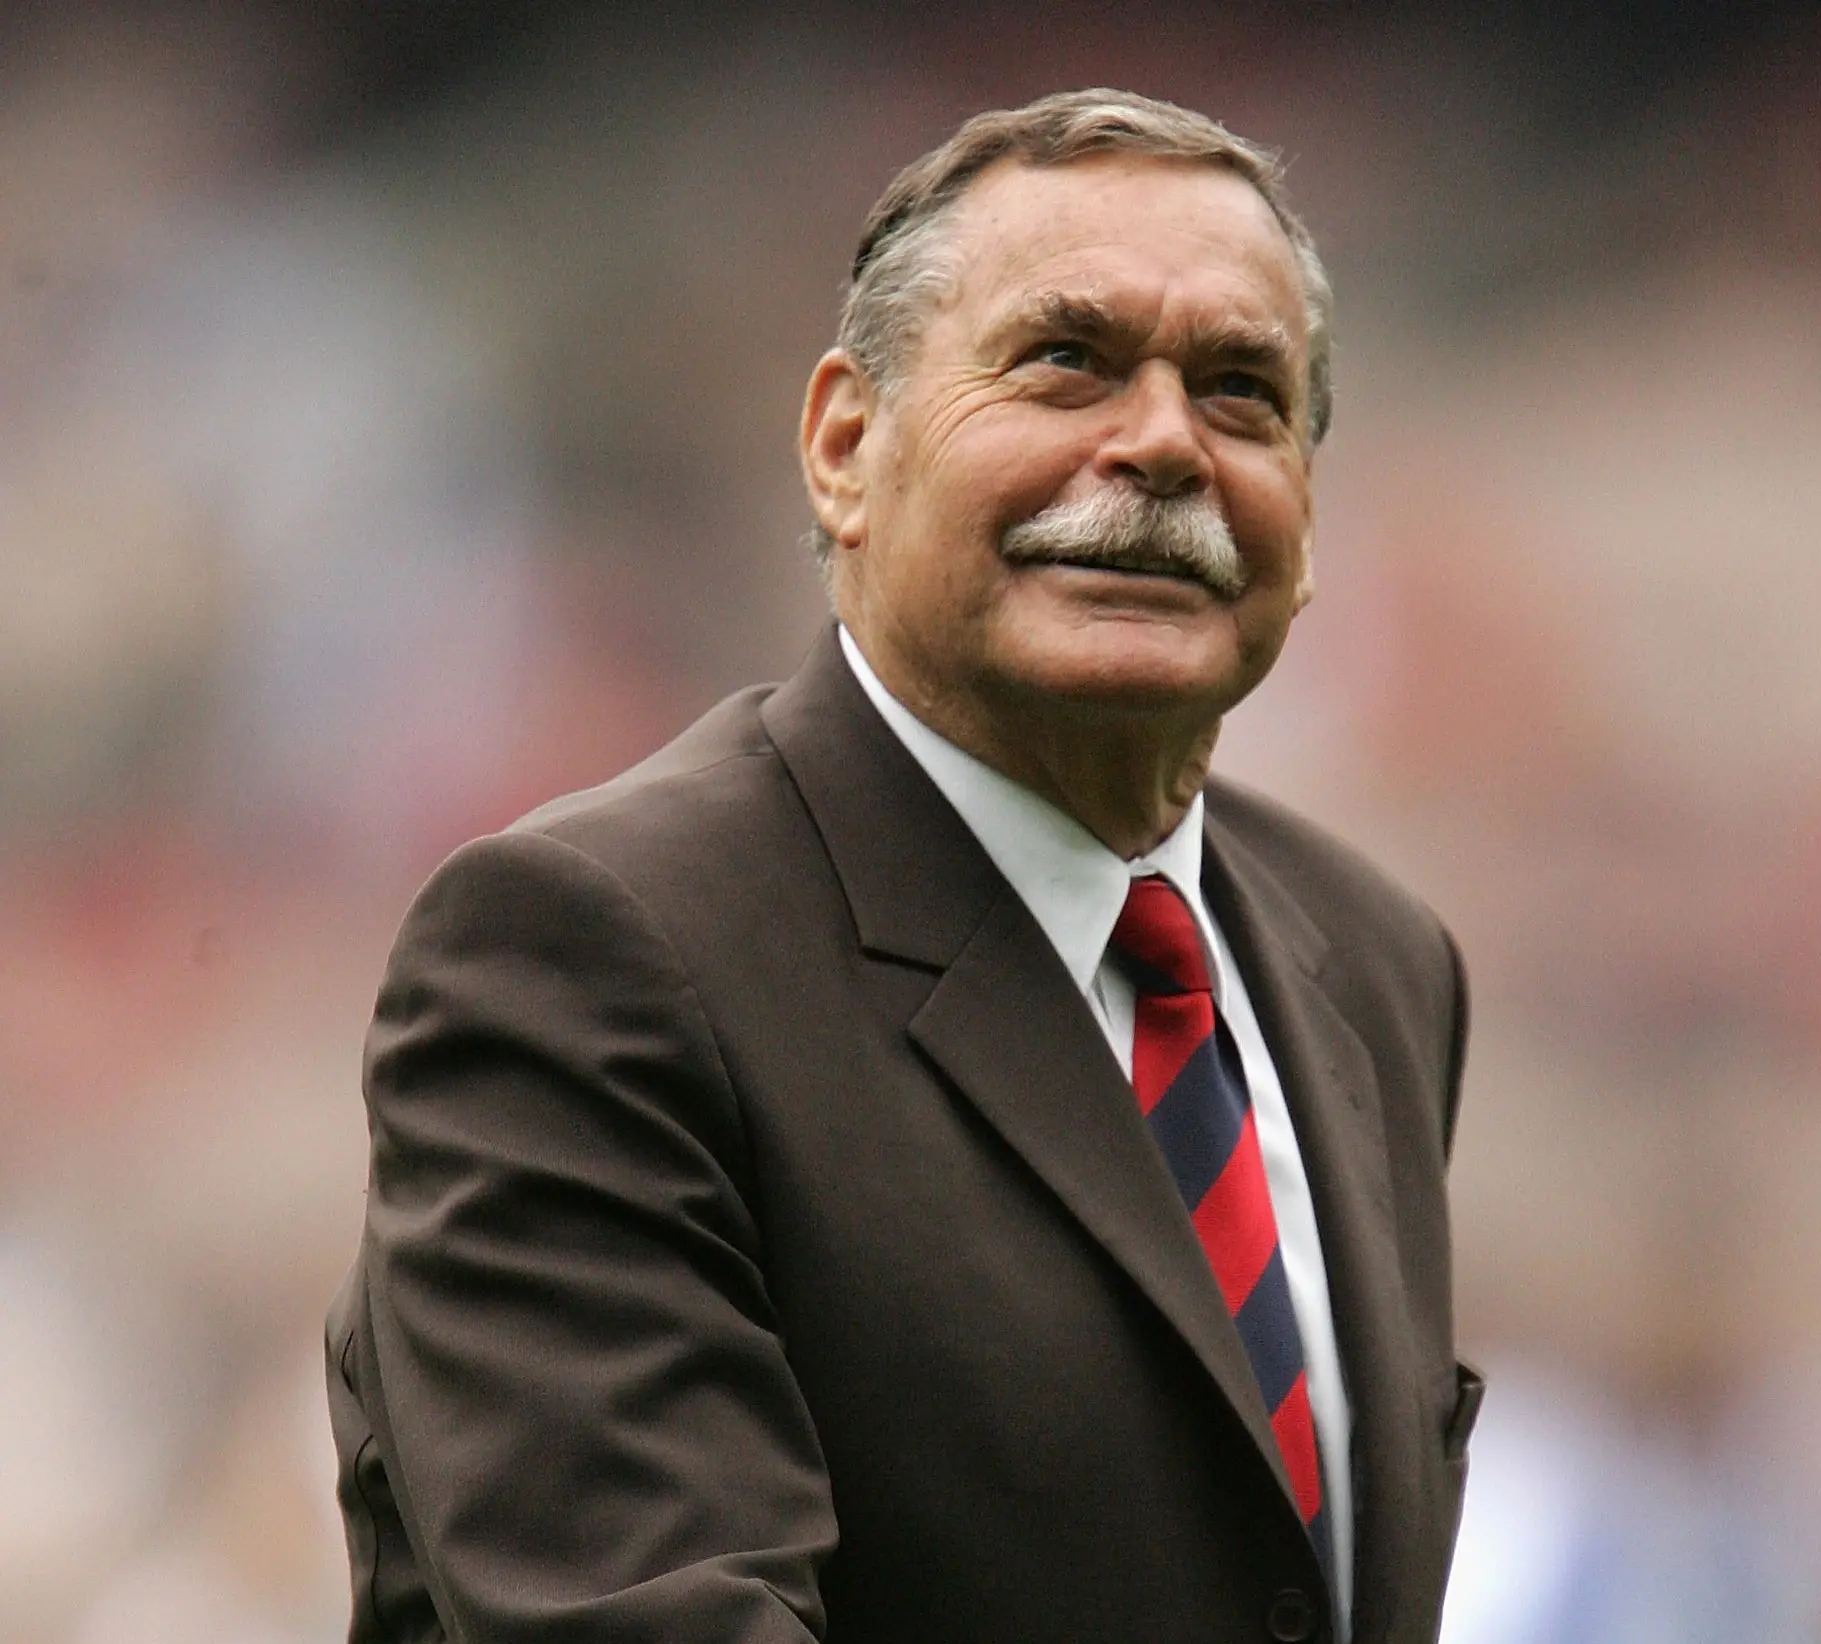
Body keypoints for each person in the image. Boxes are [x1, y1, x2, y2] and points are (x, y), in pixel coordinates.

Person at [326, 88, 1482, 1644]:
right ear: (845, 446)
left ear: (1309, 510)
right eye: (1065, 360)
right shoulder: (592, 950)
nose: (1162, 442)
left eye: (1240, 391)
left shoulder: (1379, 966)